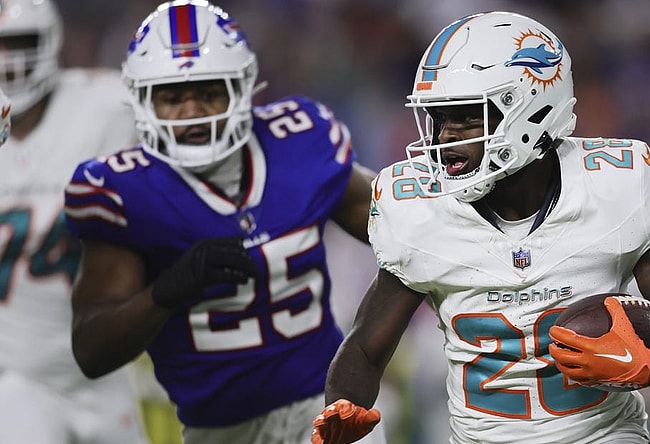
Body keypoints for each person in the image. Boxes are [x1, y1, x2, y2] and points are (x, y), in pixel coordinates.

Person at [312, 11, 650, 444]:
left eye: (467, 116)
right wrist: (344, 405)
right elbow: (364, 348)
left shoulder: (616, 189)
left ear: (532, 110)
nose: (444, 138)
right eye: (439, 118)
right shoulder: (421, 211)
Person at [63, 1, 382, 443]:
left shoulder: (300, 140)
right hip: (220, 430)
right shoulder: (122, 190)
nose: (192, 111)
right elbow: (91, 350)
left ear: (242, 88)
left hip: (326, 404)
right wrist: (167, 292)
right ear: (143, 100)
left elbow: (396, 229)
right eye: (172, 97)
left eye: (209, 92)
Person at [0, 0, 148, 442]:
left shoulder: (106, 106)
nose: (8, 61)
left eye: (18, 43)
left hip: (101, 367)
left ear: (49, 40)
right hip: (19, 377)